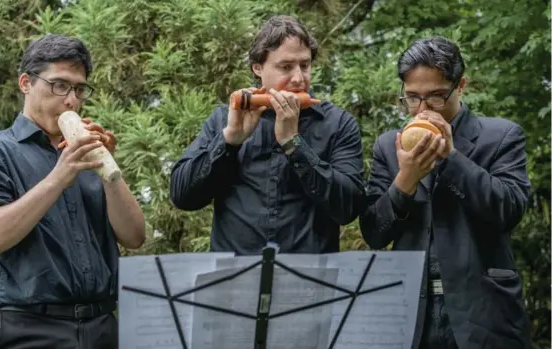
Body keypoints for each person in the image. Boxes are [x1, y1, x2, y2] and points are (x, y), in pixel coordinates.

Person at [0, 34, 146, 349]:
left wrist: (109, 172)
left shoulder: (88, 152)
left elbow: (134, 237)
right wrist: (60, 175)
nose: (72, 101)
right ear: (26, 83)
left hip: (102, 327)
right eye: (60, 85)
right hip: (27, 330)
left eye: (79, 89)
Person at [360, 36, 531, 349]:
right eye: (412, 98)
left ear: (460, 86)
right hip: (412, 314)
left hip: (484, 313)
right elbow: (374, 232)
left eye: (436, 97)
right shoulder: (389, 146)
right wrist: (405, 181)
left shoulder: (501, 136)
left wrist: (452, 158)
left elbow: (509, 211)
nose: (422, 109)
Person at [170, 15, 365, 255]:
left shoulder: (338, 124)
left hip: (311, 284)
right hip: (234, 282)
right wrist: (229, 141)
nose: (298, 78)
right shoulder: (224, 119)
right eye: (285, 67)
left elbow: (349, 209)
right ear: (258, 68)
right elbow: (182, 197)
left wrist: (294, 144)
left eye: (305, 65)